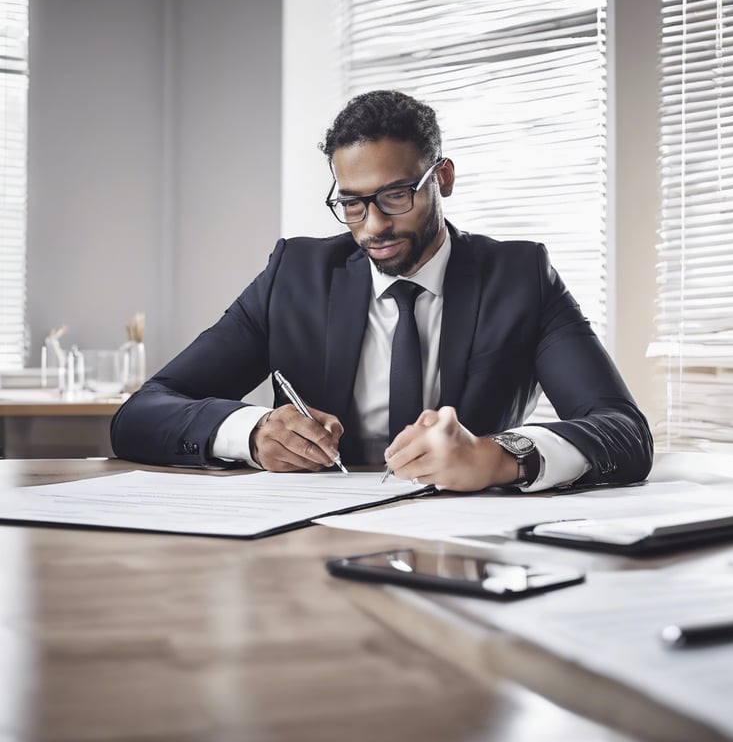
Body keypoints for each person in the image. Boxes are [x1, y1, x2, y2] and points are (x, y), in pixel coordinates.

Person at [111, 90, 653, 492]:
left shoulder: (520, 276)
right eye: (351, 203)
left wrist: (500, 457)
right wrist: (250, 433)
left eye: (396, 196)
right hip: (305, 546)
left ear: (441, 179)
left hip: (470, 542)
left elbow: (624, 430)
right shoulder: (294, 275)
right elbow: (143, 412)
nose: (372, 226)